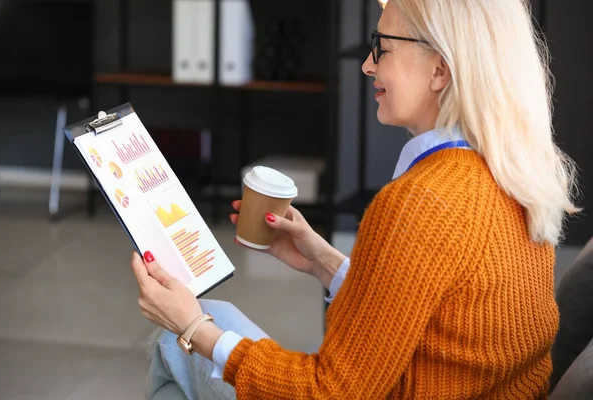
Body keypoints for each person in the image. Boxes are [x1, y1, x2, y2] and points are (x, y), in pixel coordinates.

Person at [130, 0, 580, 398]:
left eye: (382, 47)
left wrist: (194, 329)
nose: (368, 64)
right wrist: (323, 262)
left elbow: (331, 391)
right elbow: (445, 325)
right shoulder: (511, 171)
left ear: (440, 69)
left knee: (181, 337)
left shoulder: (421, 202)